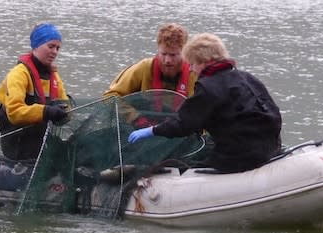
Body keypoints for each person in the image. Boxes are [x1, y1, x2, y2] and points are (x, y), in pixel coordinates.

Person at [128, 33, 282, 173]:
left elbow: (184, 124)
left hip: (239, 157)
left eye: (193, 64)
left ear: (203, 62)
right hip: (270, 148)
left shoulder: (208, 87)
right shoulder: (246, 77)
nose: (191, 70)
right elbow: (272, 111)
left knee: (185, 168)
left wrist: (152, 131)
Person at [0, 23, 71, 160]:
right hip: (18, 141)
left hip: (42, 139)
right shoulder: (19, 74)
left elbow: (65, 104)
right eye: (51, 46)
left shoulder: (54, 77)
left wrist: (65, 113)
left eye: (58, 48)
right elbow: (14, 113)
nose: (55, 52)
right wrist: (47, 111)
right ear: (36, 45)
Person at [103, 23, 198, 127]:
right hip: (142, 127)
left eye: (173, 55)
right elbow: (110, 97)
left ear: (184, 52)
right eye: (164, 54)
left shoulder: (194, 73)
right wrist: (135, 118)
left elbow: (205, 109)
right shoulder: (144, 67)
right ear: (158, 50)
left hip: (180, 130)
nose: (167, 60)